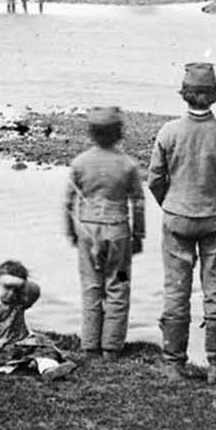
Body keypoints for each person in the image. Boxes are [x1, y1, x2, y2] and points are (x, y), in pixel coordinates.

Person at [148, 63, 216, 383]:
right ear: (215, 95)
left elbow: (154, 180)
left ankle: (174, 364)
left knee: (176, 289)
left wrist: (172, 205)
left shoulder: (168, 131)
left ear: (184, 94)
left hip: (177, 216)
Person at [63, 106, 146, 361]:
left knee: (91, 285)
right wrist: (138, 235)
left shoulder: (80, 162)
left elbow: (68, 202)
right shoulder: (127, 164)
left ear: (91, 134)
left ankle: (90, 345)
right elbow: (138, 202)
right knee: (118, 285)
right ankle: (111, 347)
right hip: (118, 230)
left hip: (88, 229)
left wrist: (71, 232)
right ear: (119, 133)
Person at [0, 259, 77, 380]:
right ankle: (20, 364)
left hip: (18, 343)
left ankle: (49, 369)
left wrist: (21, 286)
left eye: (16, 290)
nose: (11, 293)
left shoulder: (19, 303)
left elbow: (34, 289)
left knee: (44, 348)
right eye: (7, 287)